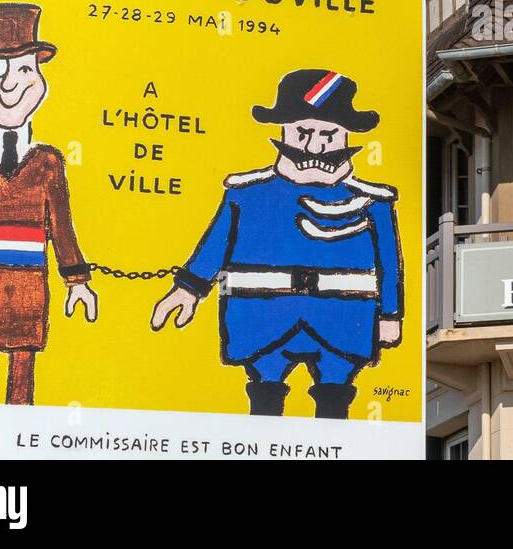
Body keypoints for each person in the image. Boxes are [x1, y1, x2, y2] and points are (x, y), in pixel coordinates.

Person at [151, 69, 402, 419]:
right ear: (284, 130)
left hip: (342, 320)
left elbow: (389, 265)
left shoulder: (373, 202)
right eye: (303, 133)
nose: (315, 146)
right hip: (261, 318)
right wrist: (188, 289)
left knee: (335, 405)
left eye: (328, 135)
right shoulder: (246, 193)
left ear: (346, 136)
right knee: (264, 405)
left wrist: (390, 316)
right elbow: (215, 244)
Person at [0, 3, 98, 405]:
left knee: (22, 383)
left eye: (24, 69)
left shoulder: (49, 162)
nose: (9, 84)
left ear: (40, 80)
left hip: (30, 292)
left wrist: (77, 281)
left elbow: (62, 228)